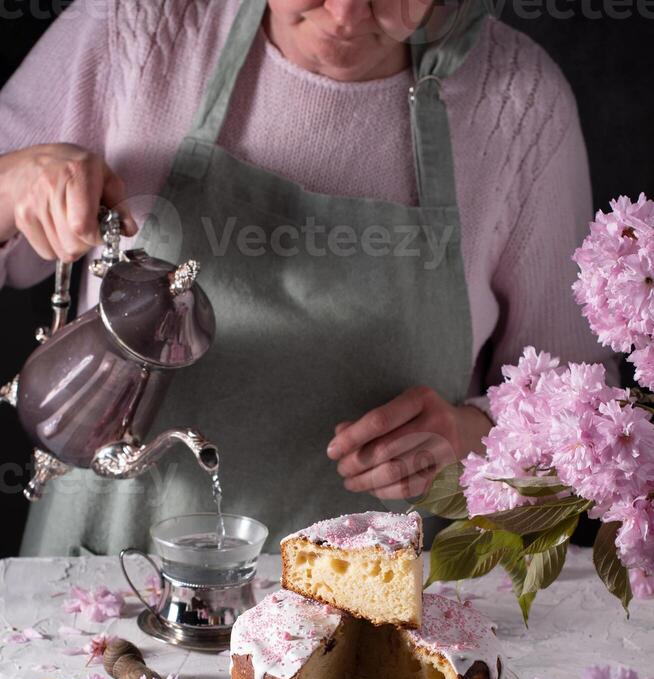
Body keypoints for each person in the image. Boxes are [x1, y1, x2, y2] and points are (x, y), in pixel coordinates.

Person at [0, 0, 616, 556]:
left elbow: (579, 408)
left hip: (366, 622)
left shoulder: (520, 104)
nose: (346, 15)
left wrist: (472, 438)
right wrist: (13, 182)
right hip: (104, 585)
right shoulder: (134, 27)